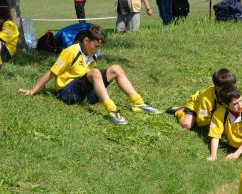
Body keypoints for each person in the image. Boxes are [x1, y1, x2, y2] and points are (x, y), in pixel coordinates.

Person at [18, 24, 160, 125]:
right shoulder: (71, 51)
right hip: (67, 93)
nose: (98, 50)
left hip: (85, 93)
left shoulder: (92, 54)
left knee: (116, 68)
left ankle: (139, 103)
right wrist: (32, 91)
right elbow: (51, 73)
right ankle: (112, 110)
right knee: (95, 72)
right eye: (96, 46)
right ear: (86, 41)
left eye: (100, 47)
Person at [166, 68, 237, 130]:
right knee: (187, 124)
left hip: (212, 109)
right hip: (196, 105)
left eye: (232, 87)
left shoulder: (233, 93)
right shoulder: (206, 97)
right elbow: (202, 120)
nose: (229, 91)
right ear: (216, 87)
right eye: (225, 89)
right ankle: (180, 110)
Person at [207, 85, 242, 161]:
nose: (240, 105)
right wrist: (213, 156)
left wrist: (236, 154)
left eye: (241, 100)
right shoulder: (219, 114)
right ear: (225, 104)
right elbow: (215, 136)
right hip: (231, 145)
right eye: (235, 104)